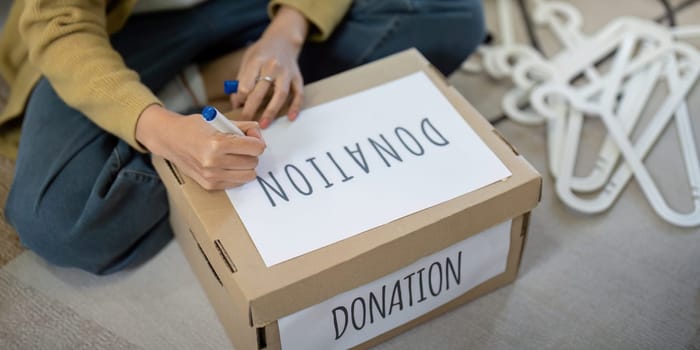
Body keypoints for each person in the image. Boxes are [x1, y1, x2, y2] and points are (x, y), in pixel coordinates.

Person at [0, 0, 486, 274]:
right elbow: (58, 26)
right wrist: (159, 129)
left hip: (256, 7)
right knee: (59, 220)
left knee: (455, 14)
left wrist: (289, 30)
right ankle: (202, 90)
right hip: (119, 31)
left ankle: (224, 80)